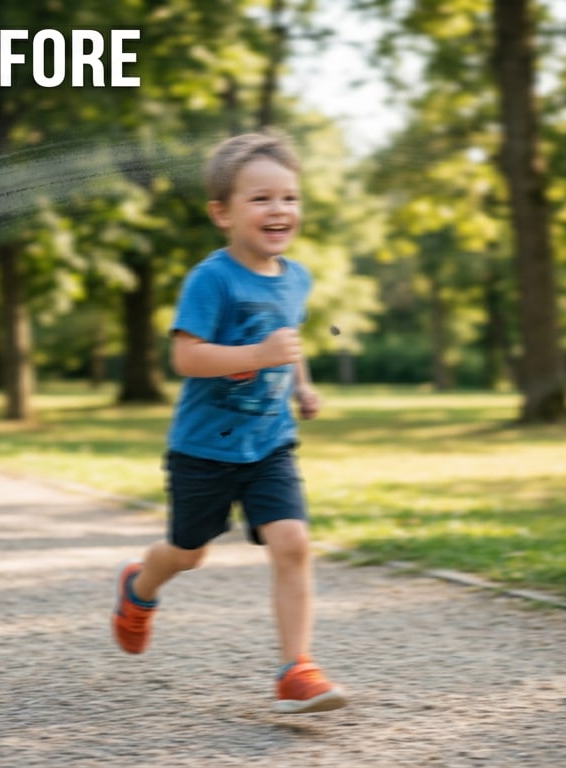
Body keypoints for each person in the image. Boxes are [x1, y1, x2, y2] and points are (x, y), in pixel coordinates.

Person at [111, 132, 347, 715]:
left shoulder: (297, 278)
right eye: (261, 198)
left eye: (289, 198)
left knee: (292, 542)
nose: (279, 210)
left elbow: (287, 342)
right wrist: (256, 358)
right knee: (188, 552)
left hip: (269, 444)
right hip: (203, 450)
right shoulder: (211, 280)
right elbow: (186, 357)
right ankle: (139, 588)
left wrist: (302, 384)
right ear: (223, 213)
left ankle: (297, 668)